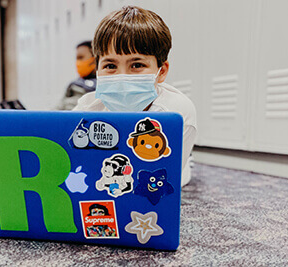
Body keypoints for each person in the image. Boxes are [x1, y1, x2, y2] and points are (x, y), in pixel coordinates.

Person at [73, 6, 197, 187]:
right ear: (97, 69)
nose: (121, 77)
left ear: (161, 72)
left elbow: (164, 183)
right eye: (110, 66)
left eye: (137, 65)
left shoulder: (177, 112)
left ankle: (190, 159)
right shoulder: (88, 107)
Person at [57, 41, 97, 110]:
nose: (78, 63)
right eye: (77, 58)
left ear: (94, 59)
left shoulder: (103, 86)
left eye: (81, 57)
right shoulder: (74, 85)